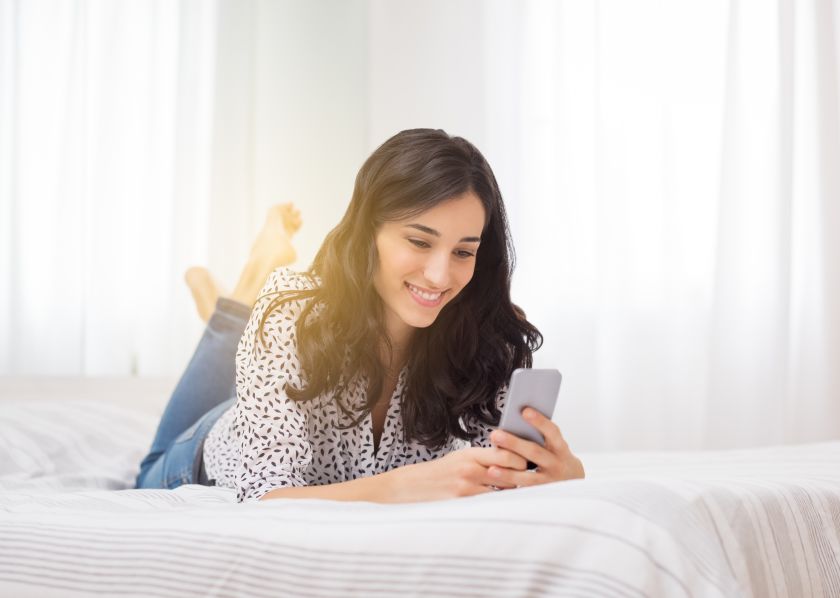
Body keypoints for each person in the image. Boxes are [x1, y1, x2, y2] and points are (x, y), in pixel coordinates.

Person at [135, 128, 585, 503]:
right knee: (146, 471)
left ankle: (231, 304)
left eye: (463, 251)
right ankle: (250, 282)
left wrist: (562, 476)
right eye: (420, 242)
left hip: (276, 402)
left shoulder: (486, 342)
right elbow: (264, 499)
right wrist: (409, 486)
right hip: (212, 451)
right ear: (368, 231)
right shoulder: (294, 309)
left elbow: (493, 480)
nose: (439, 275)